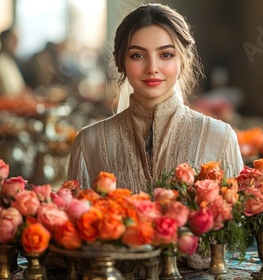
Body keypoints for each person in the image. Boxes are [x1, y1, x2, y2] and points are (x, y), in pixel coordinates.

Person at [67, 3, 244, 193]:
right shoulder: (89, 142)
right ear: (120, 62)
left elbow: (238, 218)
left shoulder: (219, 137)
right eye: (137, 55)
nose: (152, 67)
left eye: (166, 54)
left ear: (184, 60)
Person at [0, 28, 29, 97]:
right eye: (13, 40)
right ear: (5, 41)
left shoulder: (11, 62)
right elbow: (2, 96)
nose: (16, 43)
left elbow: (21, 88)